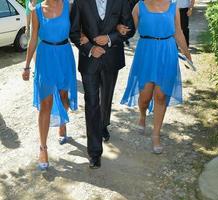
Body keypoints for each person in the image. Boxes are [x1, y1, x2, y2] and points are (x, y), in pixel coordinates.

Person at [70, 0, 135, 169]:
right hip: (89, 60)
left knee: (106, 99)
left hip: (112, 59)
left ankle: (103, 124)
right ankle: (94, 152)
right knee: (92, 103)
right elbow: (74, 31)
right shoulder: (80, 2)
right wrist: (90, 48)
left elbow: (130, 28)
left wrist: (109, 38)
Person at [120, 0, 192, 154]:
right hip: (146, 52)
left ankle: (156, 134)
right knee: (145, 96)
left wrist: (187, 54)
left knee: (160, 95)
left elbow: (178, 32)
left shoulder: (173, 7)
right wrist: (118, 28)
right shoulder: (139, 6)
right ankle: (142, 115)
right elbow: (130, 30)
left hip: (167, 52)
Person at [22, 0, 78, 170]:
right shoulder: (37, 10)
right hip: (45, 57)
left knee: (63, 97)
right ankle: (43, 147)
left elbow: (78, 30)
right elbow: (33, 40)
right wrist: (26, 66)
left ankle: (62, 124)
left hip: (64, 55)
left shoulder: (69, 6)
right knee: (45, 103)